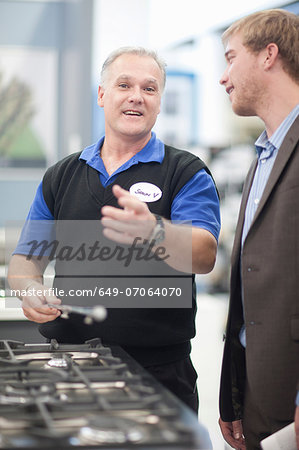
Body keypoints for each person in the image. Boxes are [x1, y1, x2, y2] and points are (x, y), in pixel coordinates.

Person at [7, 47, 220, 414]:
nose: (137, 96)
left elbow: (204, 255)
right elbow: (25, 261)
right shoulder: (62, 175)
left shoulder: (185, 172)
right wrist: (31, 291)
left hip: (157, 373)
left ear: (158, 101)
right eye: (124, 85)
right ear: (103, 95)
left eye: (149, 89)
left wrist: (152, 230)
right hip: (68, 366)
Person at [218, 9, 299, 450]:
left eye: (231, 59)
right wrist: (234, 397)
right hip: (256, 391)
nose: (222, 77)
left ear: (269, 55)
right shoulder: (263, 155)